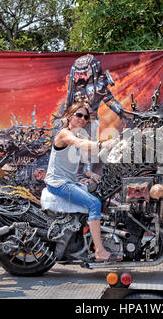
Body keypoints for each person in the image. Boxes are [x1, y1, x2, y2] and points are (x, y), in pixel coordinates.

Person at [44, 101, 120, 262]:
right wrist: (102, 144)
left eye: (85, 117)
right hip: (58, 183)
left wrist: (91, 175)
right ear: (69, 116)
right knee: (94, 204)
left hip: (69, 181)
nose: (82, 119)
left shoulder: (78, 135)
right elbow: (81, 144)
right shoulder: (65, 134)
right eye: (79, 115)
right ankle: (99, 250)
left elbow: (85, 158)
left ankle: (85, 244)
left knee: (101, 195)